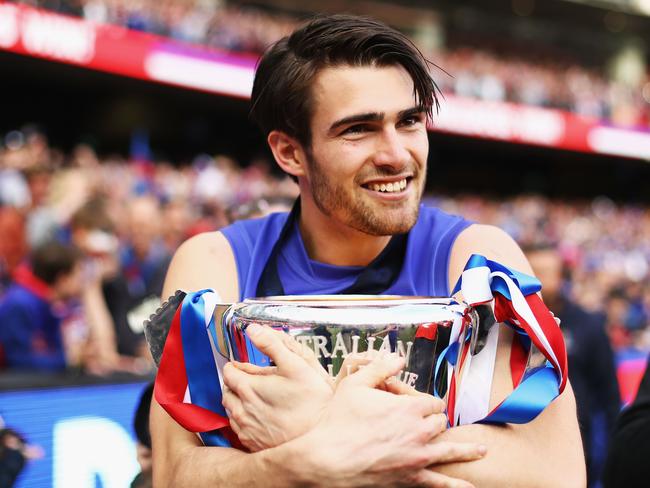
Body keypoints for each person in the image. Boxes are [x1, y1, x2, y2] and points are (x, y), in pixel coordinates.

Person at [151, 14, 585, 487]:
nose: (396, 154)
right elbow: (177, 474)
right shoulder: (216, 264)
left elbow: (554, 474)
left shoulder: (478, 258)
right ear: (290, 153)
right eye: (358, 129)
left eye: (410, 121)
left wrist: (313, 426)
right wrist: (314, 456)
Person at [526, 243, 620, 487]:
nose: (540, 280)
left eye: (547, 272)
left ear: (561, 276)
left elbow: (608, 393)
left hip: (577, 440)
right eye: (533, 271)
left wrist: (611, 450)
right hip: (524, 438)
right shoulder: (507, 325)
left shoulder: (588, 325)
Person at [0, 242, 83, 371]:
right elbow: (17, 360)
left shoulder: (51, 304)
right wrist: (67, 359)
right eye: (78, 274)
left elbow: (56, 349)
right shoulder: (19, 304)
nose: (82, 282)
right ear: (63, 278)